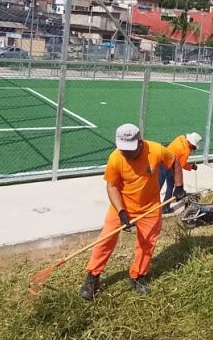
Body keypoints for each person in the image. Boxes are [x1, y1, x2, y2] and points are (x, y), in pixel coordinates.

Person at [79, 124, 186, 300]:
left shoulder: (156, 150)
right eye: (123, 149)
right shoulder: (115, 158)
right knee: (106, 240)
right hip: (122, 204)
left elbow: (173, 160)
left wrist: (179, 185)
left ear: (140, 142)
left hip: (150, 207)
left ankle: (137, 276)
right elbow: (112, 186)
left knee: (147, 243)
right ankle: (93, 276)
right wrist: (121, 212)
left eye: (130, 149)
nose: (126, 153)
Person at [159, 132, 202, 213]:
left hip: (162, 160)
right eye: (193, 146)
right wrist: (191, 167)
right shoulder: (185, 151)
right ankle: (165, 208)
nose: (193, 148)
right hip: (170, 165)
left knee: (159, 183)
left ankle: (150, 204)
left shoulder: (181, 138)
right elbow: (182, 165)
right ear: (191, 143)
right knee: (170, 187)